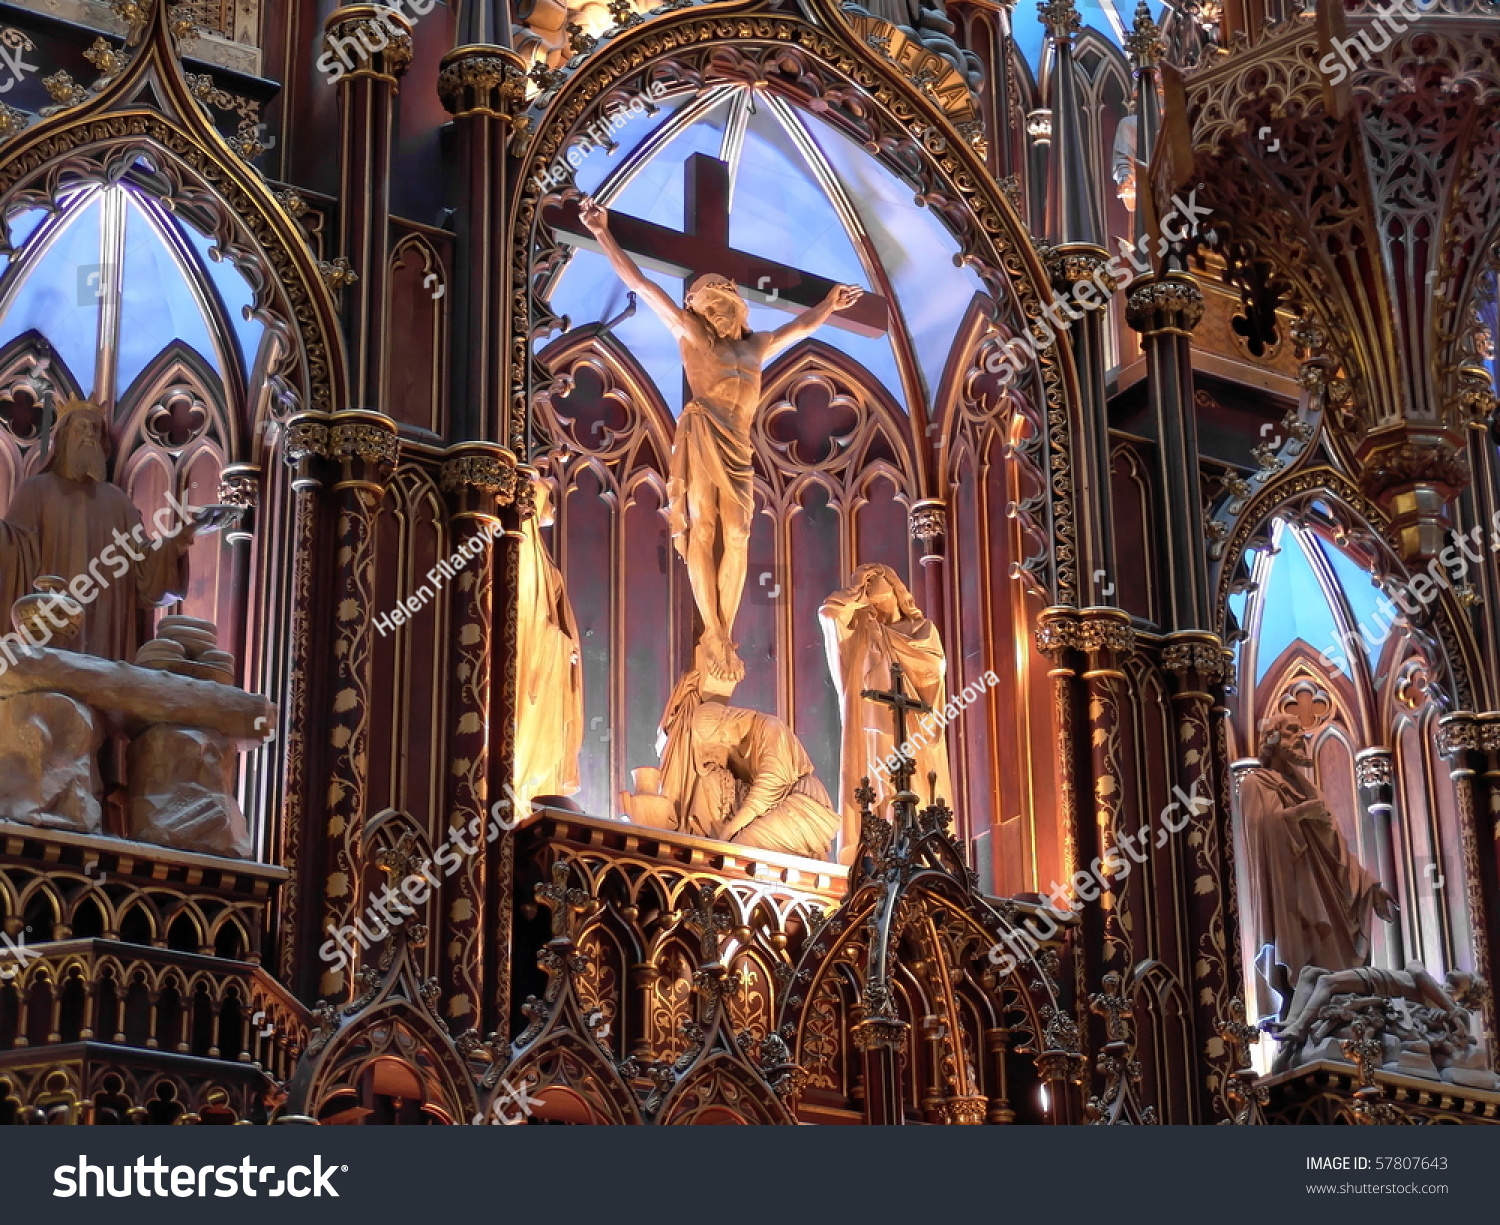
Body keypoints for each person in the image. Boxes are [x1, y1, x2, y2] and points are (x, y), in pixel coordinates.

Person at [577, 196, 862, 684]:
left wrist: (830, 305)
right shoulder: (691, 335)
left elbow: (801, 326)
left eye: (724, 292)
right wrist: (604, 233)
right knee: (703, 531)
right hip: (704, 431)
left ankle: (723, 630)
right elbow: (641, 284)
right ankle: (712, 632)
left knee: (739, 534)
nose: (718, 295)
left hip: (738, 445)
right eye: (708, 293)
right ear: (696, 306)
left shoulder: (756, 344)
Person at [2, 398, 194, 661]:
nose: (90, 435)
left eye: (95, 429)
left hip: (105, 622)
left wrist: (176, 544)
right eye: (82, 427)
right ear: (64, 437)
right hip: (48, 625)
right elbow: (14, 550)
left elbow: (142, 565)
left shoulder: (118, 502)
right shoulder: (35, 490)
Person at [1237, 713, 1398, 1006]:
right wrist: (1301, 814)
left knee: (1340, 975)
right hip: (1291, 894)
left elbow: (1335, 852)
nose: (1302, 737)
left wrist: (1369, 887)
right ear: (1273, 739)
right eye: (1292, 731)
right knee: (1305, 973)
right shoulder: (1255, 784)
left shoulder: (1308, 789)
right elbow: (1261, 834)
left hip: (1327, 895)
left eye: (1301, 732)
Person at [820, 563, 951, 856]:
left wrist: (893, 644)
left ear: (896, 589)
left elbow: (933, 668)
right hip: (872, 724)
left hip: (912, 724)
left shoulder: (921, 630)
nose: (872, 587)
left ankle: (916, 847)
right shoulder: (862, 633)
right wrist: (854, 590)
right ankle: (882, 847)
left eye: (878, 583)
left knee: (913, 782)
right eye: (867, 588)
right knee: (879, 784)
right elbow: (829, 614)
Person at [513, 474, 583, 806]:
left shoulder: (537, 550)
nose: (552, 505)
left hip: (544, 661)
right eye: (547, 496)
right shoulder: (524, 547)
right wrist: (560, 646)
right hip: (532, 669)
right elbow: (525, 620)